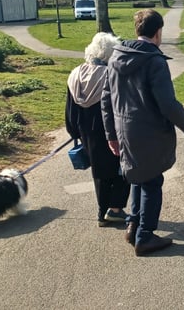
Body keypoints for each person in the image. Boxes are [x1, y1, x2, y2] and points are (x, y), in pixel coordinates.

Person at [102, 9, 184, 256]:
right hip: (149, 131)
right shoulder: (154, 61)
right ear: (157, 32)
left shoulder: (115, 57)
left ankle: (133, 226)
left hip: (124, 129)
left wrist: (111, 134)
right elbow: (167, 103)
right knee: (152, 181)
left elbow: (106, 99)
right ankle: (145, 236)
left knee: (138, 178)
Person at [66, 32, 130, 227]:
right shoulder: (111, 75)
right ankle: (116, 209)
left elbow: (70, 109)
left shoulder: (75, 74)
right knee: (122, 168)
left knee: (100, 172)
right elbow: (118, 105)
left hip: (86, 131)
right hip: (109, 130)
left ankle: (102, 211)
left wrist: (74, 133)